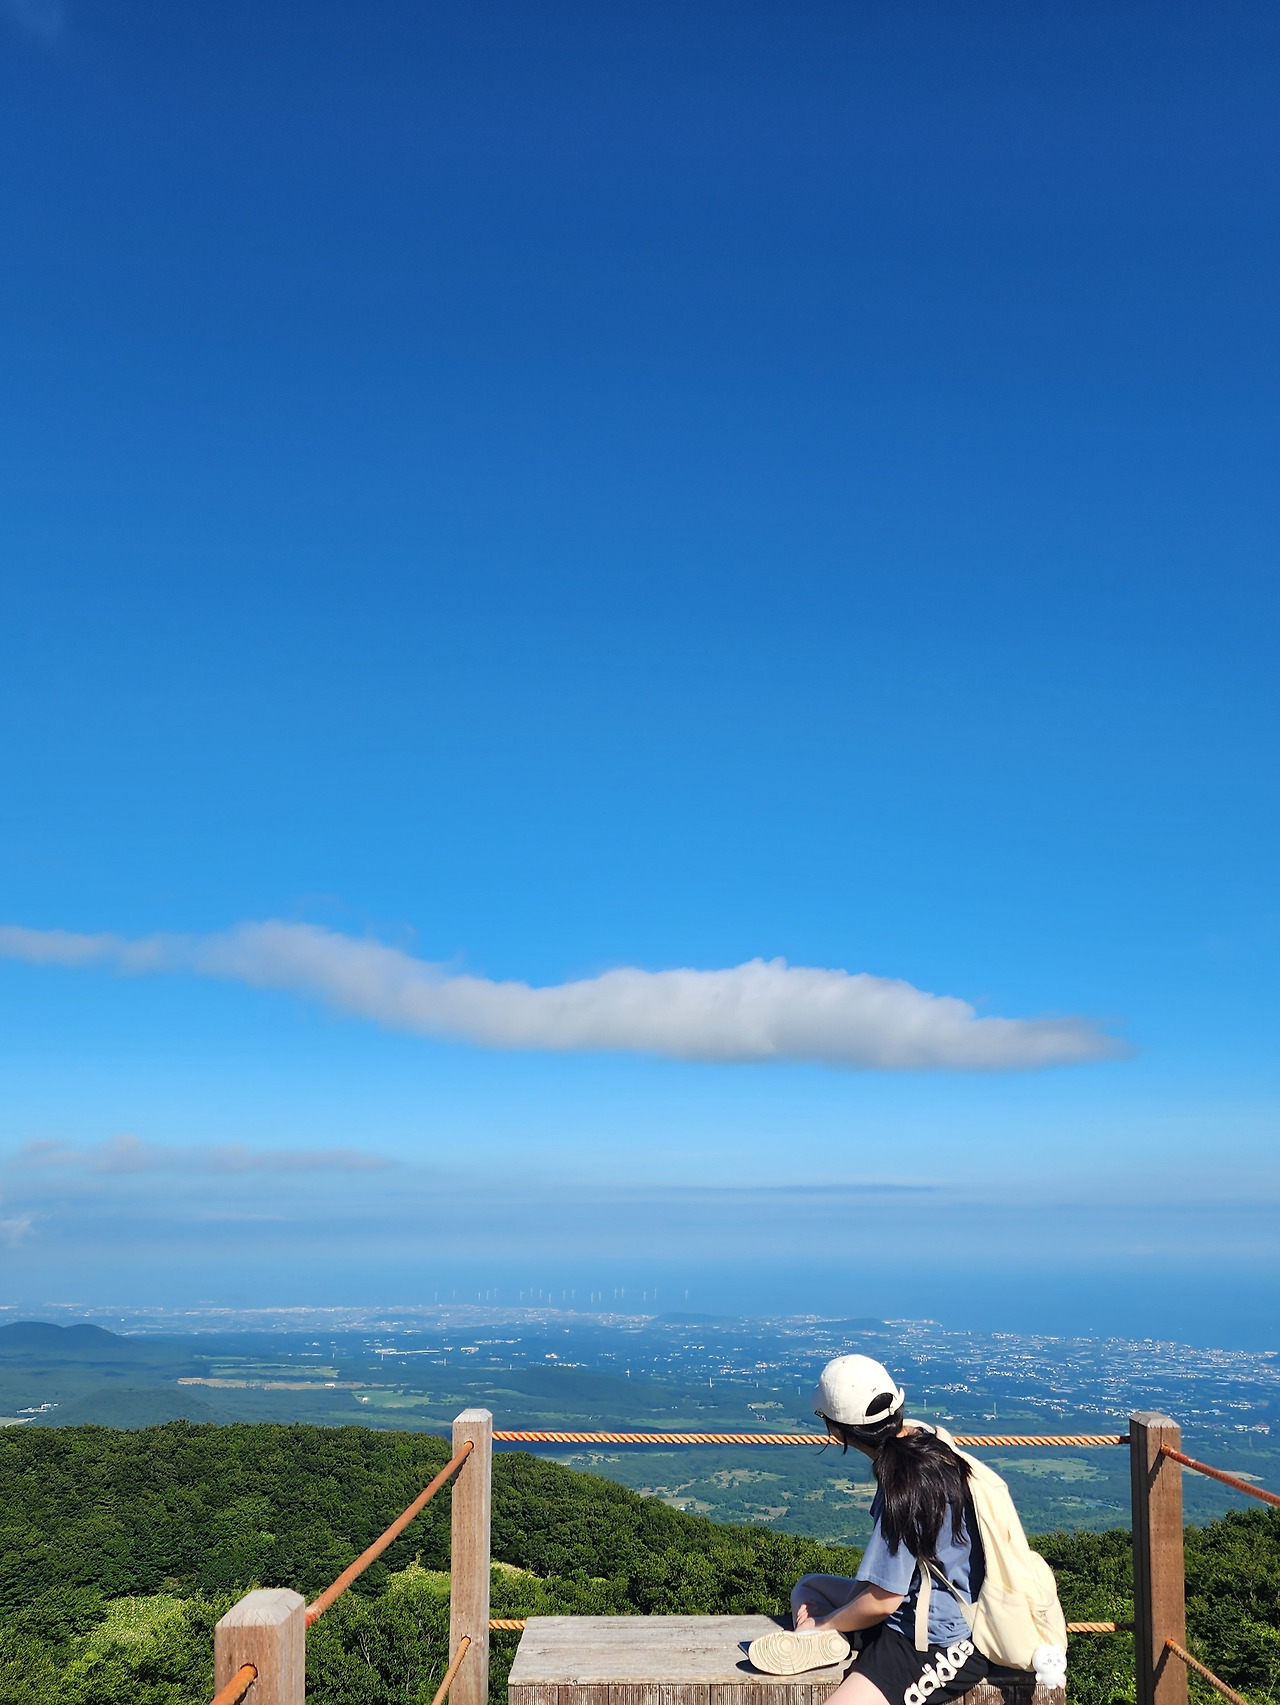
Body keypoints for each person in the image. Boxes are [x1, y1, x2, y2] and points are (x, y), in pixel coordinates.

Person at [748, 1355, 989, 1705]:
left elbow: (883, 1600)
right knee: (809, 1584)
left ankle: (820, 1636)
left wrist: (826, 1623)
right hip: (909, 1615)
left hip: (938, 1642)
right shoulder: (926, 1443)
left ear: (834, 1430)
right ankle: (824, 1638)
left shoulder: (904, 1482)